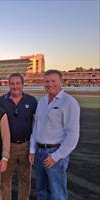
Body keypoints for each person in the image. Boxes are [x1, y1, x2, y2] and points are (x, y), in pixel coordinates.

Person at [29, 69, 80, 200]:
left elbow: (72, 135)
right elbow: (36, 127)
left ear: (61, 82)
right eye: (47, 81)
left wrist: (56, 156)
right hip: (40, 152)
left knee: (56, 192)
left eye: (53, 81)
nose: (50, 84)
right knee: (41, 191)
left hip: (54, 153)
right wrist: (32, 149)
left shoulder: (69, 102)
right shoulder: (42, 101)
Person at [0, 73, 38, 200]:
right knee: (5, 179)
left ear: (22, 84)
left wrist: (33, 148)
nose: (15, 86)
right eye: (12, 84)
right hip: (8, 146)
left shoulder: (32, 101)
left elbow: (37, 124)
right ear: (8, 85)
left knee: (25, 179)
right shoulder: (1, 101)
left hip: (26, 146)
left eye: (18, 83)